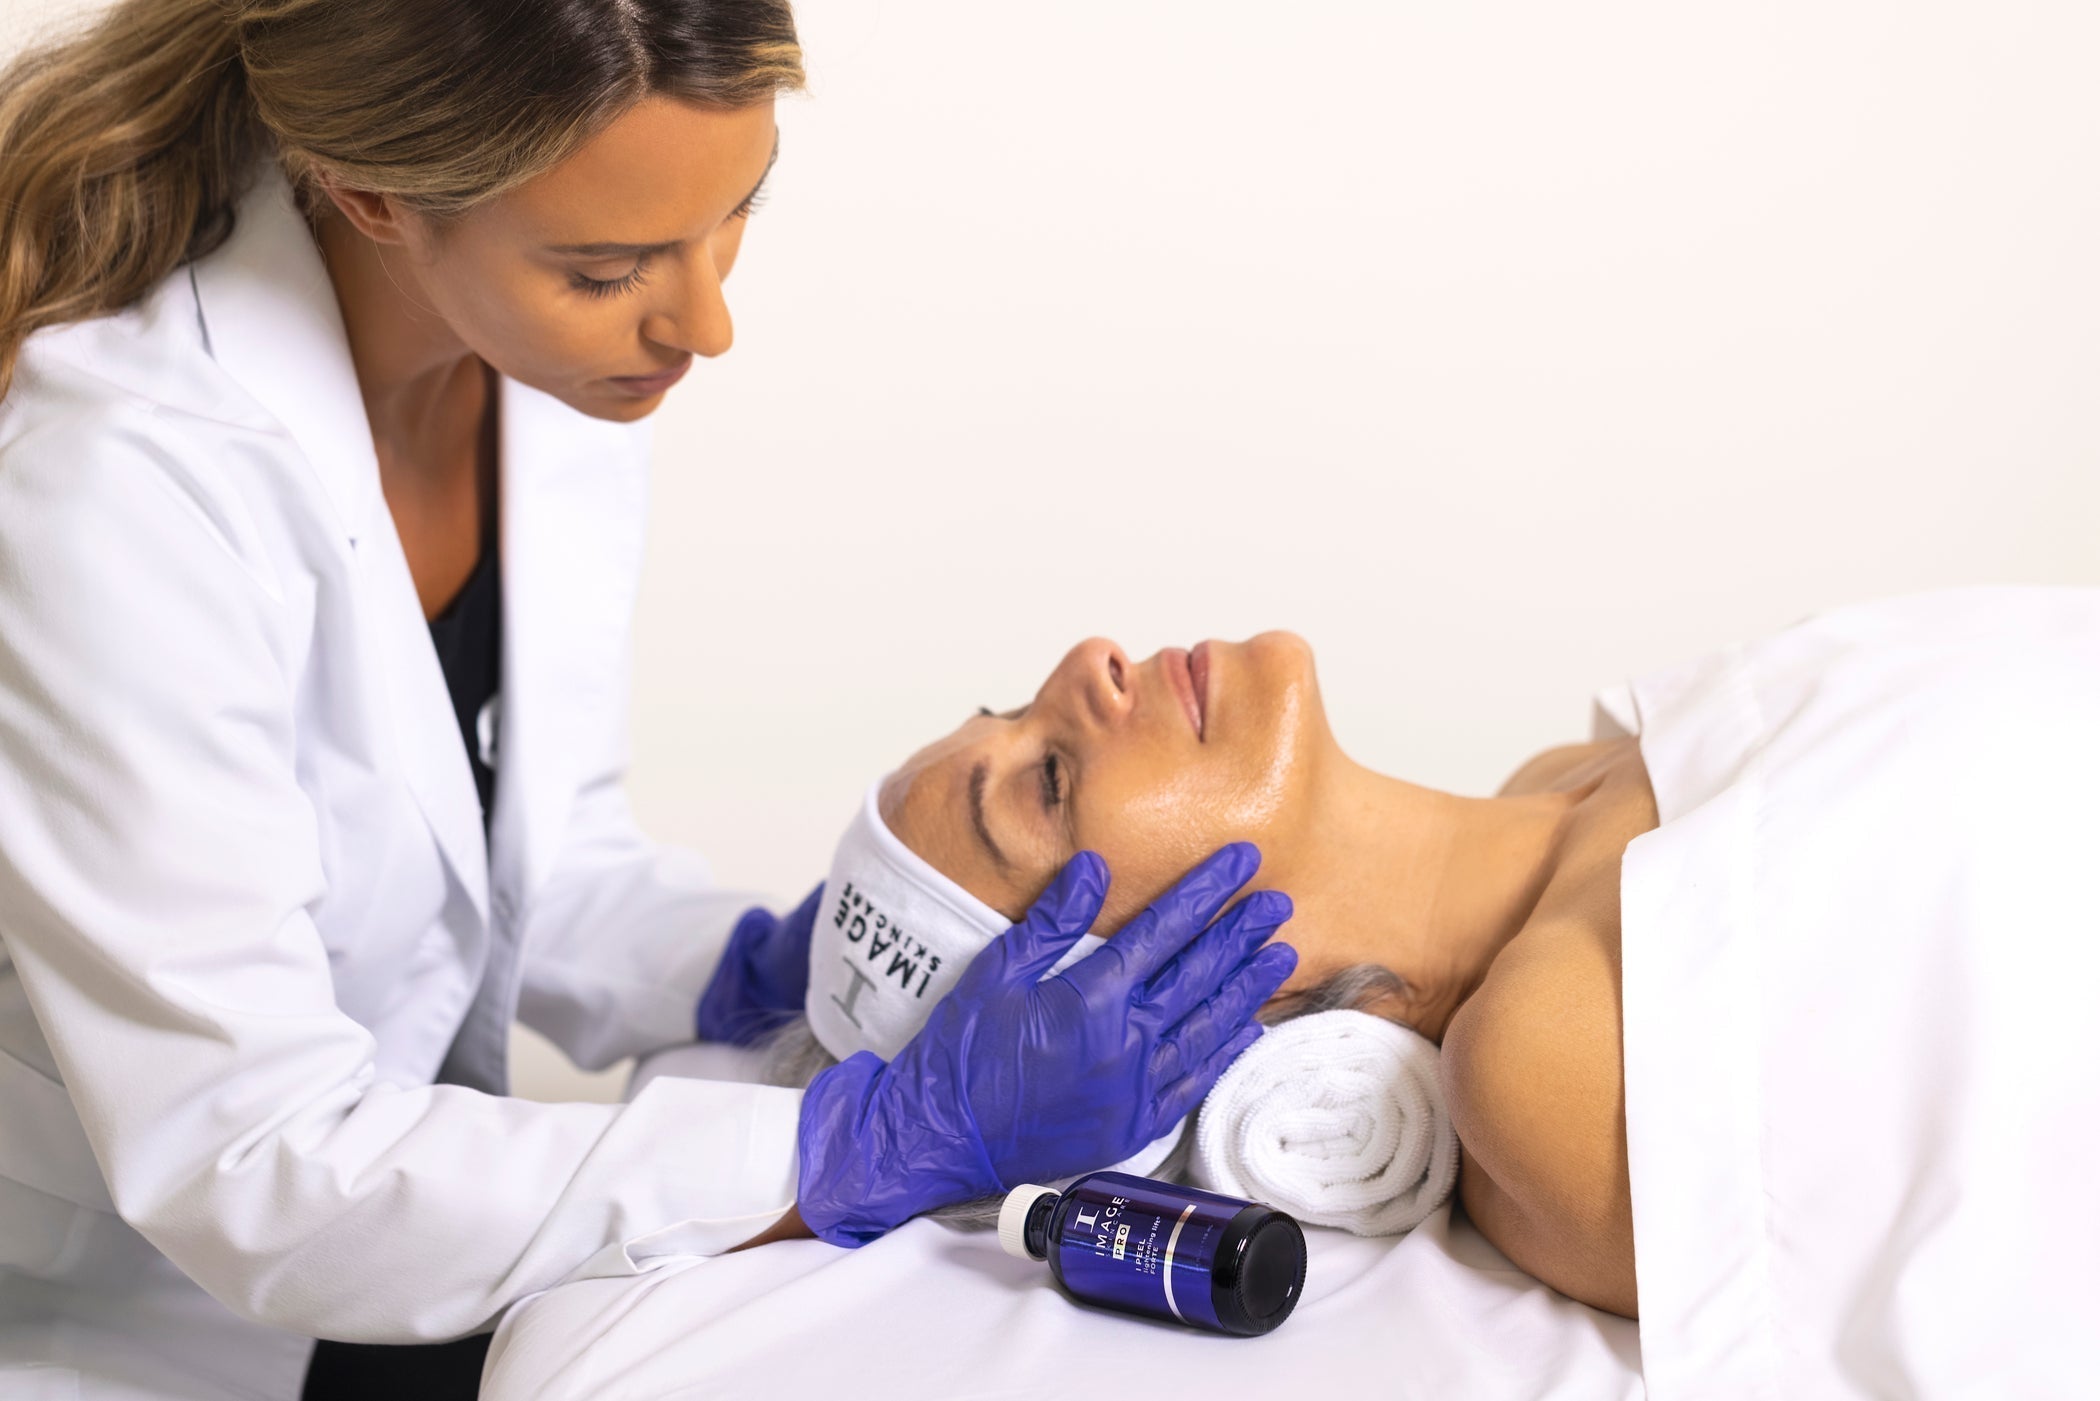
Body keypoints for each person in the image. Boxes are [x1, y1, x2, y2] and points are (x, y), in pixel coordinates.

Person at [0, 4, 1292, 1399]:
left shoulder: (542, 367)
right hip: (136, 1313)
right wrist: (862, 1145)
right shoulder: (120, 491)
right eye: (609, 267)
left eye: (737, 213)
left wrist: (759, 963)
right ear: (374, 195)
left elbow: (521, 862)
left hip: (417, 1244)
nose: (706, 323)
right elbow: (252, 1160)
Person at [751, 588, 2100, 1390]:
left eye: (1013, 704)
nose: (1085, 660)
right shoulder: (1552, 1065)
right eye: (1047, 779)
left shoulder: (1575, 773)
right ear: (1123, 1001)